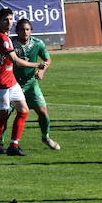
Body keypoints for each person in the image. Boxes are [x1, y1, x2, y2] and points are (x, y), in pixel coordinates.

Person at [0, 7, 47, 156]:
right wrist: (37, 64)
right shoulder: (2, 38)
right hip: (1, 84)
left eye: (11, 19)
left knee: (23, 111)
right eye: (5, 19)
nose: (9, 22)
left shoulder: (0, 37)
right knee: (3, 115)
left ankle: (14, 145)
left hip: (10, 81)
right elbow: (16, 61)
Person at [12, 17, 60, 150]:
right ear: (17, 31)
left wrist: (42, 71)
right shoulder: (11, 44)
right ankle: (1, 143)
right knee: (6, 113)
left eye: (27, 29)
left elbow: (47, 59)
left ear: (31, 31)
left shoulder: (38, 44)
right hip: (13, 84)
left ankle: (46, 137)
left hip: (31, 83)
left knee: (43, 111)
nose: (25, 32)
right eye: (22, 30)